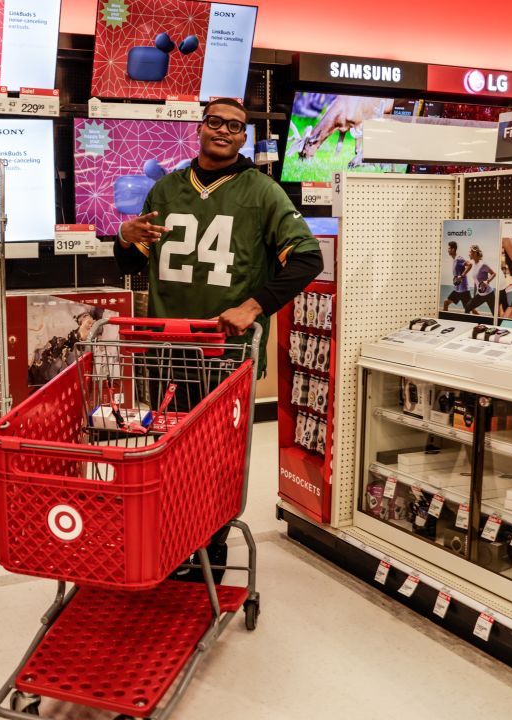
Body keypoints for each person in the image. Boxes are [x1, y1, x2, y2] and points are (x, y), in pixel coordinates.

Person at [113, 97, 323, 582]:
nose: (225, 131)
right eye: (216, 122)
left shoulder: (262, 192)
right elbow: (131, 265)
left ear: (244, 138)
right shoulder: (165, 189)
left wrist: (252, 307)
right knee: (167, 454)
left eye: (236, 126)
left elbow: (307, 259)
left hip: (225, 358)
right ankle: (174, 542)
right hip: (167, 349)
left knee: (215, 461)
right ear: (201, 127)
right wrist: (124, 237)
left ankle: (210, 548)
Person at [465, 244, 496, 316]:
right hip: (480, 294)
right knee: (467, 307)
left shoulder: (483, 265)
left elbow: (493, 273)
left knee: (495, 315)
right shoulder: (474, 264)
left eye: (470, 252)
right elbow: (476, 282)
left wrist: (487, 281)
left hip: (489, 294)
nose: (469, 254)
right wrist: (474, 295)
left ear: (475, 253)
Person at [442, 240, 472, 312]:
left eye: (449, 248)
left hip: (464, 291)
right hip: (457, 290)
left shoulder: (459, 259)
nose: (448, 250)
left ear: (453, 249)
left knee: (470, 310)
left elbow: (470, 265)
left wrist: (462, 276)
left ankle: (480, 321)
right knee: (446, 302)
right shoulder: (455, 260)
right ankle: (445, 320)